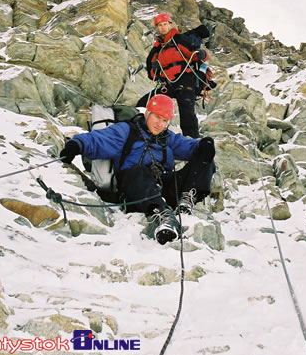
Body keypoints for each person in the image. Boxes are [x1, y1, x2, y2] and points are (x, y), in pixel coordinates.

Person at [60, 94, 216, 245]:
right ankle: (162, 216)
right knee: (138, 171)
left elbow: (188, 147)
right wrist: (76, 145)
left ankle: (186, 200)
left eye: (164, 120)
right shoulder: (127, 131)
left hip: (163, 187)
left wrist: (203, 145)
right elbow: (99, 139)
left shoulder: (167, 137)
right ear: (147, 113)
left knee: (206, 156)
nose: (160, 124)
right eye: (156, 117)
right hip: (135, 189)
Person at [137, 13, 213, 138]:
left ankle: (192, 142)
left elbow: (195, 54)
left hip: (185, 80)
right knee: (143, 103)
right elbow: (152, 75)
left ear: (170, 25)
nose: (162, 27)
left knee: (187, 112)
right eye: (159, 25)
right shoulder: (156, 49)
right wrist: (155, 70)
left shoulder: (179, 39)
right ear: (157, 27)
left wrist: (201, 54)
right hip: (168, 84)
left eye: (165, 24)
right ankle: (144, 133)